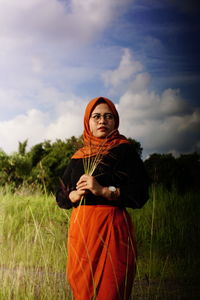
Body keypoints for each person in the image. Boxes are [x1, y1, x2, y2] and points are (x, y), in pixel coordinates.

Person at [56, 96, 149, 300]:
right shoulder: (78, 156)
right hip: (81, 232)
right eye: (96, 116)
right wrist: (73, 195)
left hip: (113, 229)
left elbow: (141, 193)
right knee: (83, 291)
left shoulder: (124, 151)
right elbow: (60, 194)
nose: (102, 121)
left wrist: (104, 191)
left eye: (108, 116)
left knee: (112, 290)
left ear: (115, 121)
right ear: (87, 122)